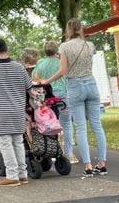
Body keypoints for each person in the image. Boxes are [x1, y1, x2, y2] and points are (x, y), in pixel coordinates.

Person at [40, 18, 108, 177]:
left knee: (81, 127)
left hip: (75, 86)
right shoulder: (89, 45)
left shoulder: (64, 46)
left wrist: (47, 81)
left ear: (68, 30)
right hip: (91, 84)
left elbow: (63, 70)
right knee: (97, 125)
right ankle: (102, 164)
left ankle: (88, 166)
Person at [0, 38, 32, 186]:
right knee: (18, 142)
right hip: (17, 111)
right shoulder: (19, 67)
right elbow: (30, 88)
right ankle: (23, 174)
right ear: (6, 48)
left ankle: (12, 176)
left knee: (5, 143)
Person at [31, 41, 76, 163]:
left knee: (47, 123)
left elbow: (34, 78)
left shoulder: (40, 64)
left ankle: (51, 150)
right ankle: (69, 153)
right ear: (56, 50)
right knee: (66, 124)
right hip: (61, 95)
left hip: (45, 96)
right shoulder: (61, 62)